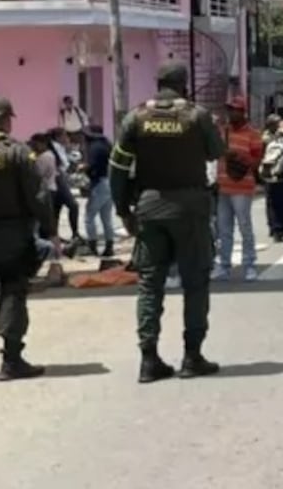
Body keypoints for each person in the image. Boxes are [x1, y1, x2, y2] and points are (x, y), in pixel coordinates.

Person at [109, 62, 225, 383]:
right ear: (184, 84)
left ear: (158, 83)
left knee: (150, 284)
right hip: (190, 210)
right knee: (195, 283)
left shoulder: (136, 117)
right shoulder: (197, 115)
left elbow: (117, 169)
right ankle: (192, 356)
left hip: (149, 209)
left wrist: (123, 210)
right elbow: (216, 151)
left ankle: (149, 359)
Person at [0, 96, 55, 380]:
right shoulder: (17, 152)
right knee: (13, 292)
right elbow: (38, 196)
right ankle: (11, 361)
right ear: (5, 119)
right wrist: (50, 229)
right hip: (11, 236)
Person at [213, 96, 263, 282]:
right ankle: (224, 265)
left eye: (234, 110)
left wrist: (239, 157)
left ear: (242, 112)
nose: (231, 113)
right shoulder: (222, 132)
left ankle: (249, 264)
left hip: (242, 187)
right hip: (223, 187)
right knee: (224, 230)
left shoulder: (253, 134)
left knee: (244, 227)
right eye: (229, 110)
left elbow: (257, 162)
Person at [82, 124, 116, 258]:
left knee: (89, 217)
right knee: (106, 218)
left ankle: (92, 246)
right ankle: (109, 246)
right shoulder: (107, 144)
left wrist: (84, 169)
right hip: (110, 182)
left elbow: (92, 166)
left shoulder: (94, 147)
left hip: (99, 184)